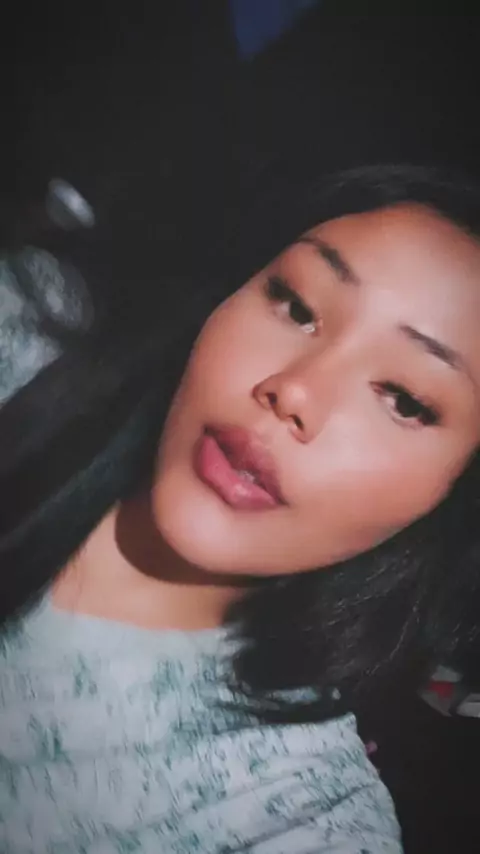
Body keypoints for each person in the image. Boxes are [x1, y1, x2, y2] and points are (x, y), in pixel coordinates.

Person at [1, 162, 479, 853]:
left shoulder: (292, 817)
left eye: (404, 399)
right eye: (297, 306)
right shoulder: (22, 335)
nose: (296, 390)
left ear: (453, 497)